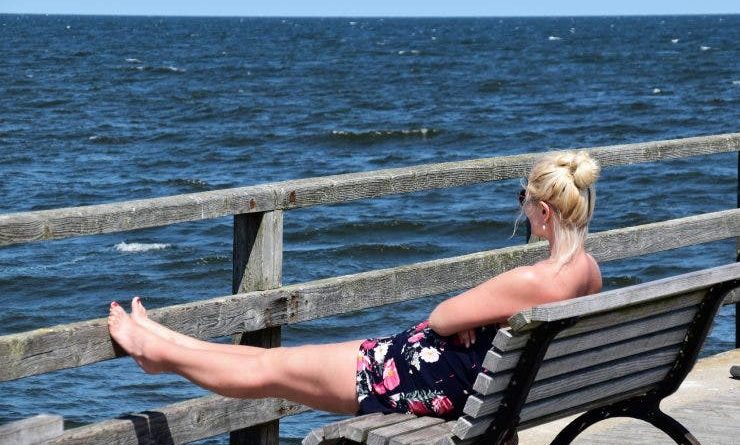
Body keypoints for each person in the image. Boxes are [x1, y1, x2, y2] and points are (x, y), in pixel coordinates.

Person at [107, 150, 602, 420]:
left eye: (522, 199)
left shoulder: (533, 278)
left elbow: (443, 317)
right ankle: (166, 342)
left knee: (269, 368)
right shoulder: (589, 273)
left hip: (411, 378)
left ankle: (160, 354)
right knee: (275, 362)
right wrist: (487, 319)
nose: (521, 209)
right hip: (481, 389)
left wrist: (471, 318)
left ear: (544, 211)